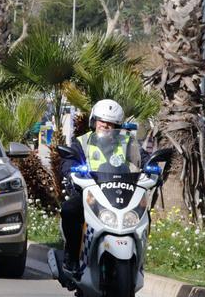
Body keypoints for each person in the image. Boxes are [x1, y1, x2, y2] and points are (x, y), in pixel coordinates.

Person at [59, 99, 147, 275]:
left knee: (145, 214)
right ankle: (72, 256)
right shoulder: (82, 142)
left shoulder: (127, 142)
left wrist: (152, 167)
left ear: (118, 125)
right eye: (102, 121)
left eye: (111, 123)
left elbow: (142, 157)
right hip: (90, 192)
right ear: (94, 121)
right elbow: (69, 160)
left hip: (120, 192)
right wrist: (70, 172)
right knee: (69, 210)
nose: (106, 126)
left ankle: (140, 260)